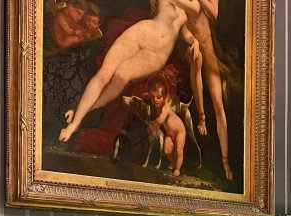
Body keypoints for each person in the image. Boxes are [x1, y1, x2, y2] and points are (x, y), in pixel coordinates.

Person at [59, 0, 202, 143]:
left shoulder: (192, 4)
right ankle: (74, 123)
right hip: (144, 32)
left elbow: (183, 29)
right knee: (104, 74)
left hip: (158, 53)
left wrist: (193, 40)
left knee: (120, 77)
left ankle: (81, 113)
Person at [184, 0, 235, 180]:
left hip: (209, 51)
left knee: (219, 105)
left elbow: (214, 13)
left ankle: (225, 162)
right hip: (190, 49)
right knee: (196, 60)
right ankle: (202, 118)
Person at [146, 78, 187, 176]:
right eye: (153, 97)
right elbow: (149, 95)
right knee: (167, 151)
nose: (155, 100)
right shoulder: (157, 106)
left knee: (178, 151)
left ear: (164, 98)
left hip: (179, 132)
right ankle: (173, 162)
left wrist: (152, 125)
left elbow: (160, 120)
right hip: (170, 133)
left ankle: (177, 169)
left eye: (158, 97)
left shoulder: (165, 108)